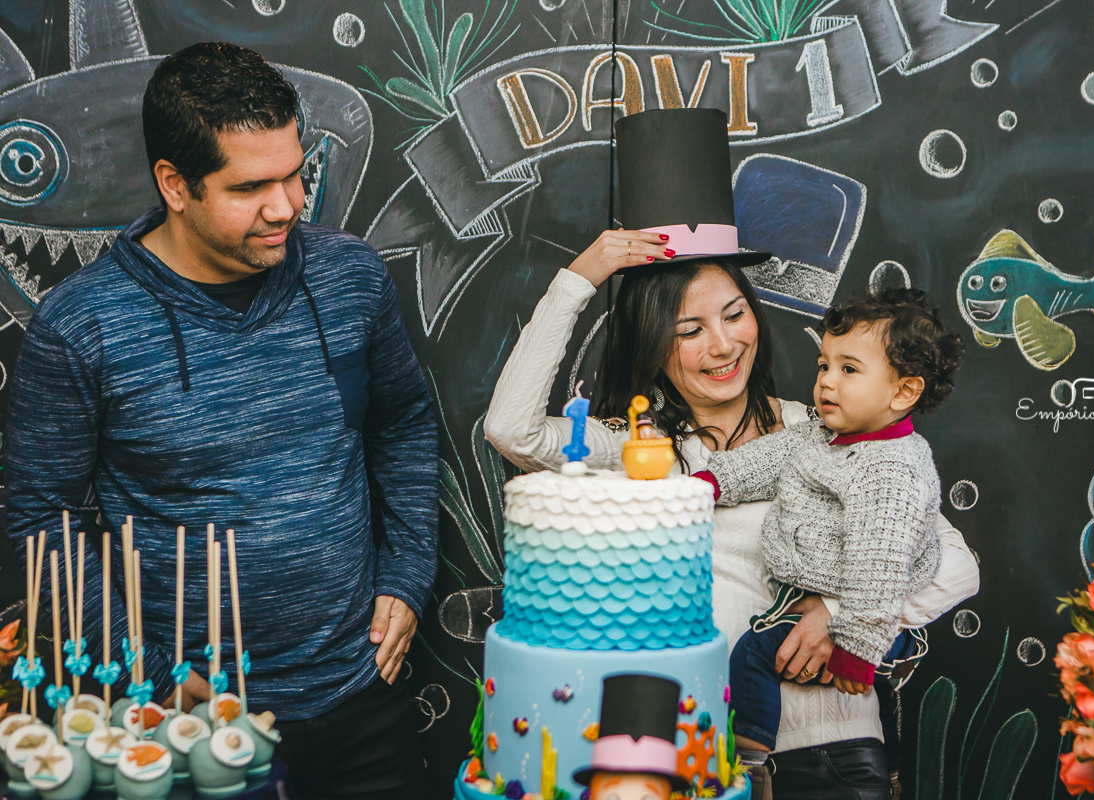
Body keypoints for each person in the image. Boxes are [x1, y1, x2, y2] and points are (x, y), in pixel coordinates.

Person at [4, 42, 437, 798]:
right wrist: (156, 676)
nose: (288, 206)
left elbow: (402, 424)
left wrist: (406, 569)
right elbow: (42, 520)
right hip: (185, 727)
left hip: (359, 696)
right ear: (175, 183)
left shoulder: (350, 278)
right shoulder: (81, 327)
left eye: (295, 174)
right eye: (251, 187)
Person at [484, 230, 979, 800]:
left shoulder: (830, 436)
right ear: (654, 346)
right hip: (688, 759)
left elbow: (957, 565)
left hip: (829, 748)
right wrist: (581, 279)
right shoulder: (639, 451)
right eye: (690, 331)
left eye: (735, 315)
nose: (722, 346)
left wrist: (835, 615)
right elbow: (509, 429)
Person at [693, 288, 964, 766]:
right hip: (824, 596)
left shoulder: (891, 470)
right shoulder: (825, 434)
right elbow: (770, 457)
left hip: (865, 618)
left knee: (753, 656)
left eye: (849, 370)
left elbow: (878, 569)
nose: (826, 383)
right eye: (824, 365)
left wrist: (856, 647)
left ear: (904, 390)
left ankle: (749, 762)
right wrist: (714, 481)